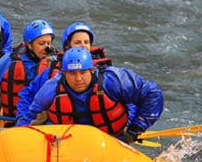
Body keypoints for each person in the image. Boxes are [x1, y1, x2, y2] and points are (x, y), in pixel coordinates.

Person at [16, 47, 163, 144]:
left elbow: (152, 93)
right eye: (72, 73)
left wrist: (135, 128)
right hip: (69, 144)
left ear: (92, 70)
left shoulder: (113, 80)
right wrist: (19, 138)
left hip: (113, 141)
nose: (78, 78)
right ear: (64, 73)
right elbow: (30, 117)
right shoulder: (51, 88)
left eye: (83, 72)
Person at [16, 21, 110, 121]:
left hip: (98, 132)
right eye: (78, 42)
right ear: (67, 46)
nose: (83, 46)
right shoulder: (52, 73)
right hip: (61, 129)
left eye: (86, 42)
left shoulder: (104, 73)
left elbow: (126, 95)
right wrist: (22, 119)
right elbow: (28, 95)